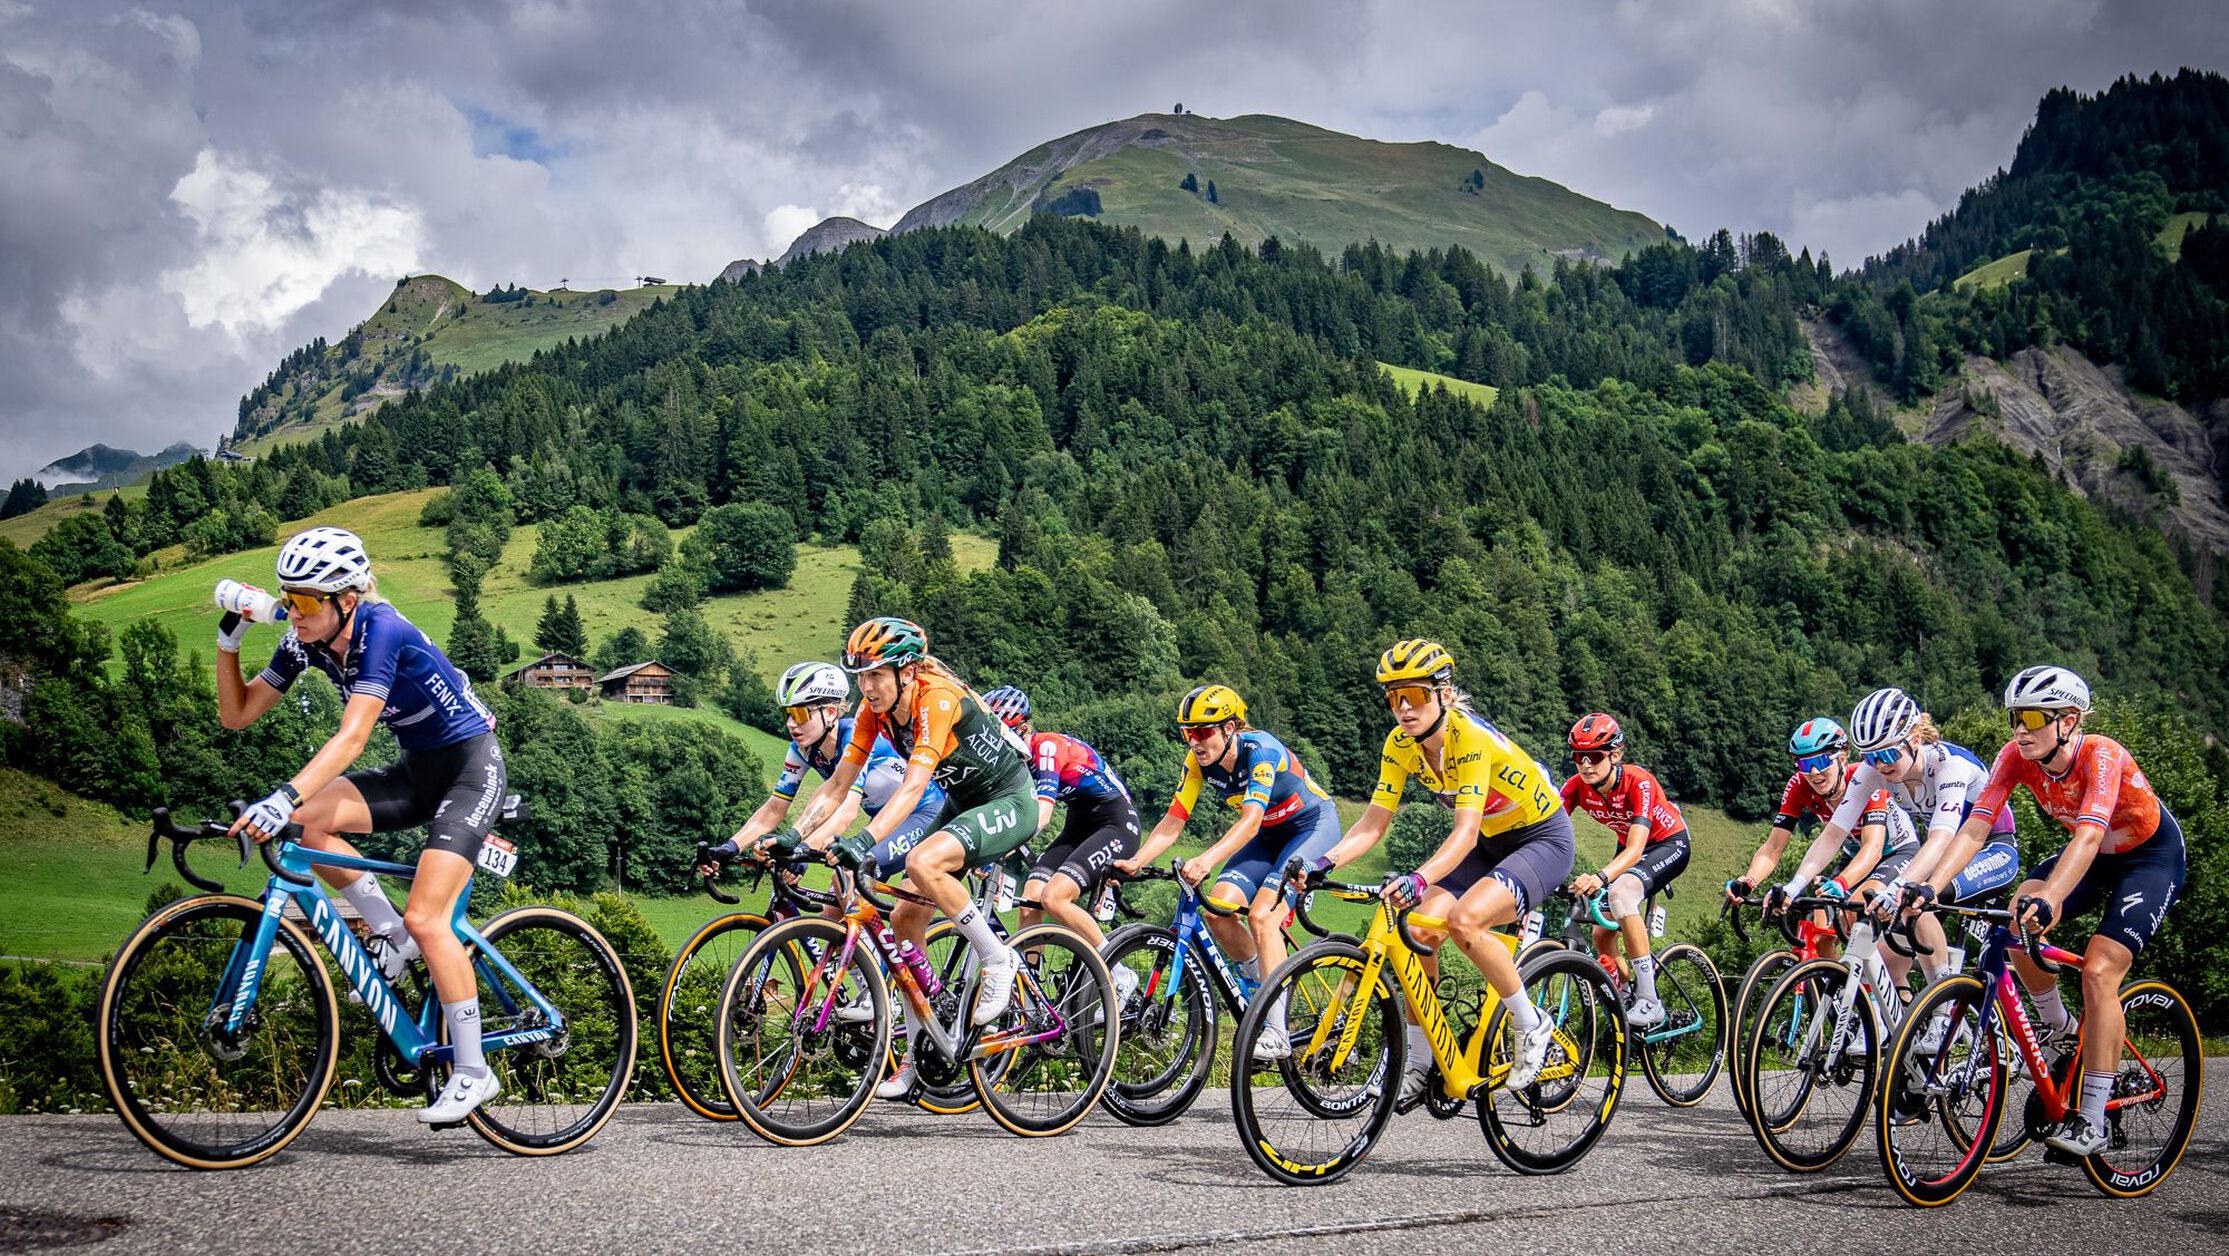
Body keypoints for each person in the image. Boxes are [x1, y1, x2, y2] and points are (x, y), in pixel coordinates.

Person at [213, 527, 508, 1123]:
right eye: (287, 599)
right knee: (305, 824)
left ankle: (475, 1071)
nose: (294, 612)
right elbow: (236, 714)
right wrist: (229, 640)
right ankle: (391, 933)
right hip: (415, 772)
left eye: (305, 600)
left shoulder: (382, 630)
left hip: (470, 772)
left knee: (428, 917)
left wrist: (282, 795)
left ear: (347, 598)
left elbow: (352, 737)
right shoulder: (306, 642)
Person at [1934, 667, 2184, 1157]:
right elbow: (1975, 828)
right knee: (2015, 921)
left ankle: (2093, 1117)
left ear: (2068, 721)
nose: (2019, 730)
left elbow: (2089, 835)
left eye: (2031, 718)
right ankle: (2061, 1029)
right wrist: (1930, 886)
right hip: (2093, 856)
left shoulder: (2102, 755)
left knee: (2099, 970)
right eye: (2014, 717)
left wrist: (2050, 898)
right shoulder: (2014, 756)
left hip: (2148, 859)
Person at [1309, 640, 1573, 1097]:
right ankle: (1421, 1060)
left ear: (1445, 695)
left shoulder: (1468, 739)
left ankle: (1530, 1023)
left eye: (1415, 695)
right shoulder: (1400, 745)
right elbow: (1373, 824)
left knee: (1464, 921)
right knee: (1415, 932)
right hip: (1489, 842)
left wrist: (1419, 878)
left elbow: (1464, 833)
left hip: (1541, 839)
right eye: (1394, 698)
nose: (1404, 709)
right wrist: (1323, 862)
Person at [815, 617, 1041, 1101]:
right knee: (903, 923)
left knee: (922, 862)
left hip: (1009, 800)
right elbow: (837, 783)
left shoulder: (936, 698)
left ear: (908, 671)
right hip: (964, 805)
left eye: (877, 675)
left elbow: (915, 785)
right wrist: (794, 835)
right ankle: (918, 1060)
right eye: (861, 676)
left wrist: (865, 839)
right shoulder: (875, 711)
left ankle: (997, 958)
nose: (867, 687)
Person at [1116, 683, 1340, 1060]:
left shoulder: (1261, 751)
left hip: (1310, 828)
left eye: (1203, 732)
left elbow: (1250, 822)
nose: (1195, 742)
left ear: (1230, 727)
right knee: (1217, 911)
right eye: (1187, 734)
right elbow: (1174, 820)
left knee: (1262, 917)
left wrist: (1206, 859)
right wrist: (1136, 861)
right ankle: (1266, 990)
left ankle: (1277, 1032)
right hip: (1269, 836)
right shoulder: (1197, 762)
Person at [1830, 688, 2021, 996]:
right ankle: (1908, 1013)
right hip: (1944, 856)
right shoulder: (1878, 770)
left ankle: (1943, 1006)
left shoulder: (1949, 764)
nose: (1879, 765)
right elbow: (1833, 832)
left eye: (1887, 754)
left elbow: (1941, 839)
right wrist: (1797, 885)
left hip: (1992, 849)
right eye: (1870, 757)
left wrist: (1894, 889)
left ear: (1915, 740)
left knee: (1915, 899)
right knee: (1886, 961)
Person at [695, 661, 946, 882]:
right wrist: (730, 847)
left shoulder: (856, 738)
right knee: (833, 903)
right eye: (787, 714)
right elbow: (774, 809)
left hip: (925, 812)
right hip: (883, 820)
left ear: (830, 712)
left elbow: (846, 811)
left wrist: (804, 849)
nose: (791, 724)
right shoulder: (801, 751)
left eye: (800, 714)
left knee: (851, 874)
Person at [980, 687, 1140, 968]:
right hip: (1079, 825)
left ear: (1023, 729)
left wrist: (997, 849)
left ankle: (1116, 971)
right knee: (1030, 900)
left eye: (1003, 738)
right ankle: (1031, 984)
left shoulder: (1046, 747)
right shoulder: (1015, 764)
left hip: (1116, 824)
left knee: (1054, 898)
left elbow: (1041, 816)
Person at [1558, 714, 1692, 1031]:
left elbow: (1635, 850)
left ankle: (1650, 1000)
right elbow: (1547, 826)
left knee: (1621, 893)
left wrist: (1600, 877)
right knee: (1601, 933)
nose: (1585, 765)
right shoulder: (1576, 787)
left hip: (1667, 844)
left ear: (1615, 754)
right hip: (1629, 847)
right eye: (1578, 757)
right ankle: (1625, 994)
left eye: (1594, 756)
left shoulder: (1638, 782)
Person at [1725, 717, 1861, 959]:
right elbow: (1773, 847)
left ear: (1842, 757)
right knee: (1822, 939)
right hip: (1852, 855)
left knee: (1856, 922)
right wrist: (1749, 881)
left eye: (1821, 761)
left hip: (1887, 854)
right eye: (1804, 764)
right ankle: (1844, 983)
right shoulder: (1799, 785)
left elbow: (1878, 843)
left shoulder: (1861, 778)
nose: (1814, 772)